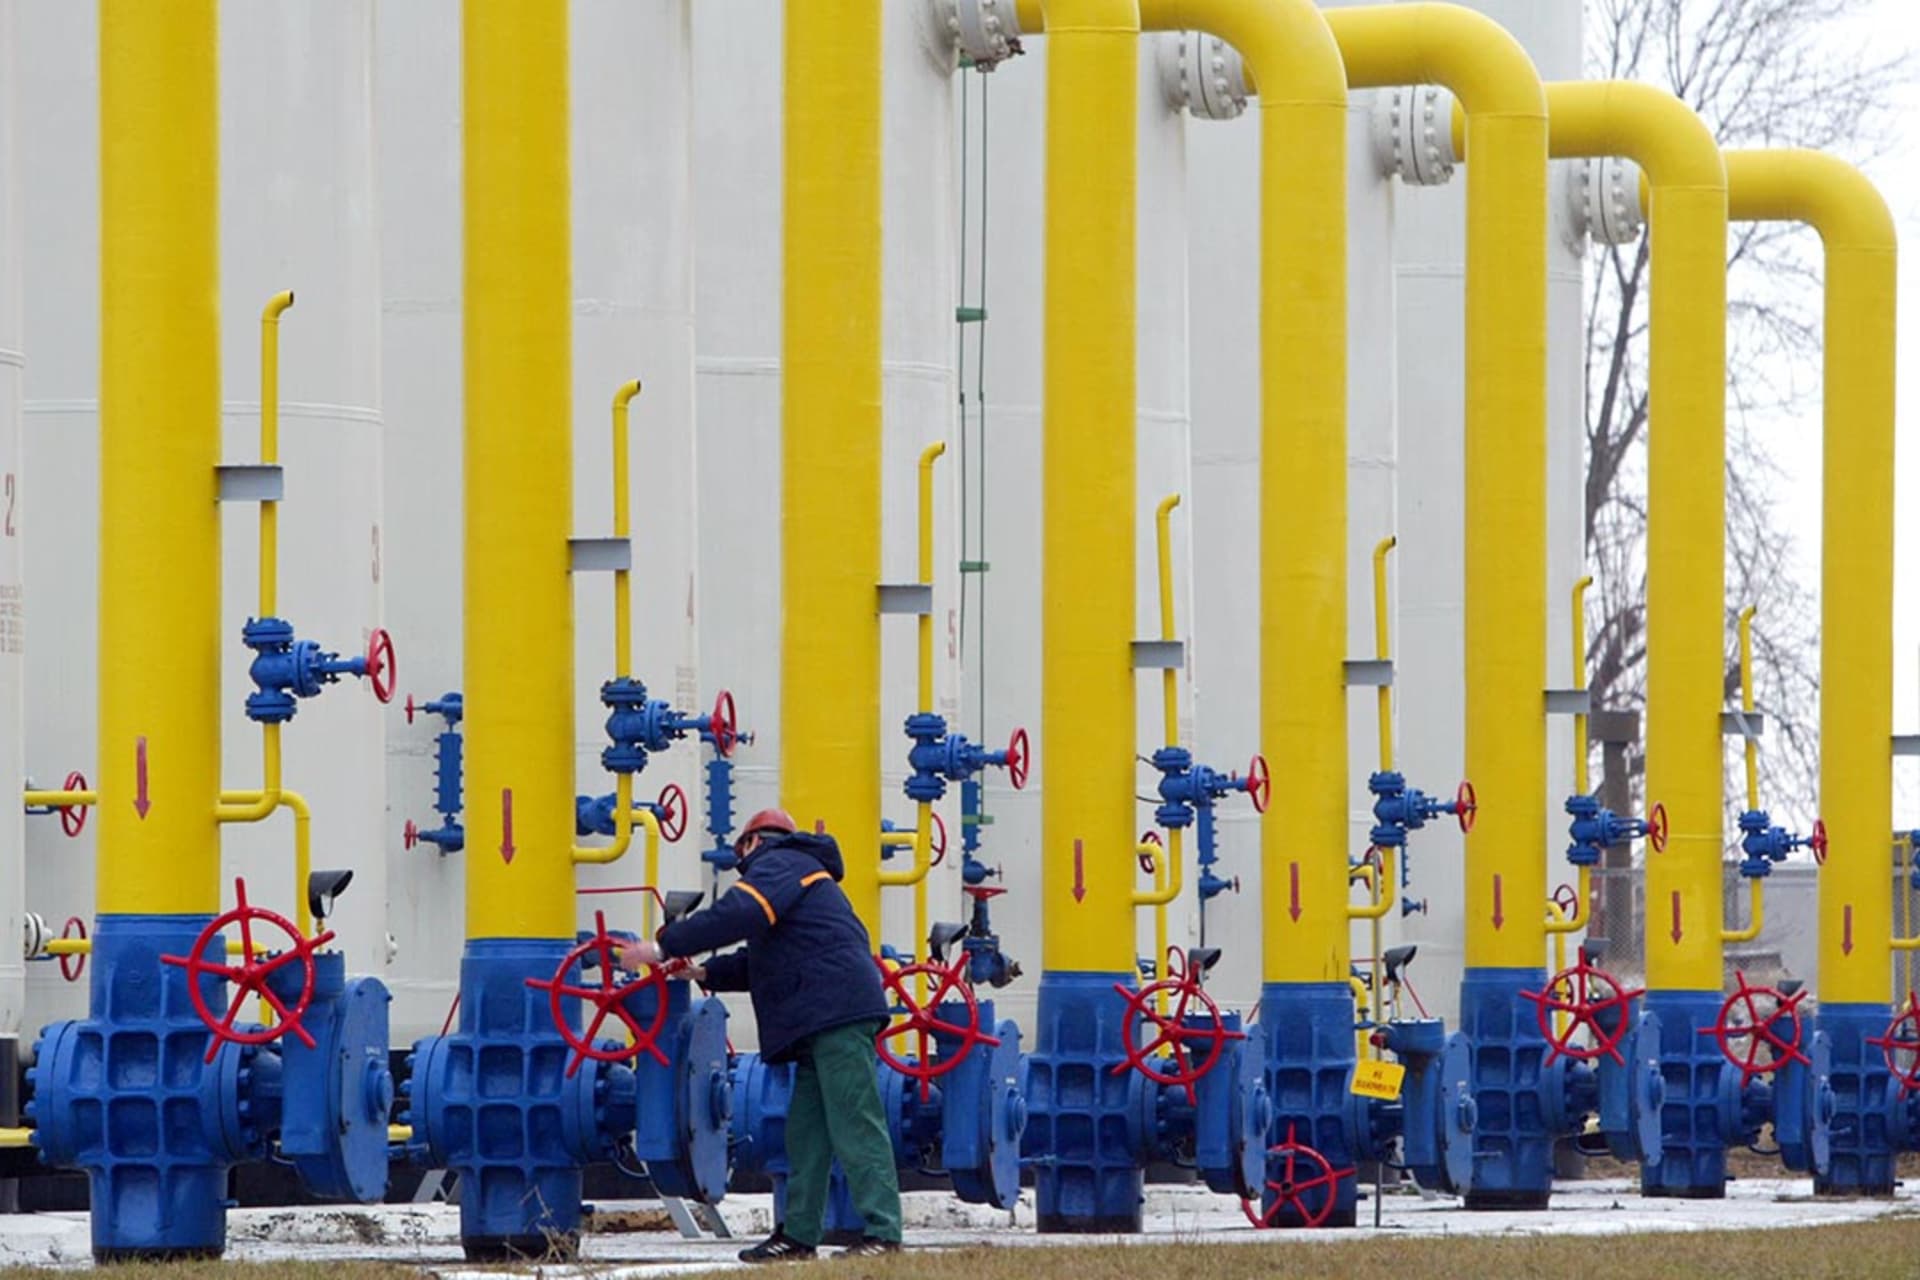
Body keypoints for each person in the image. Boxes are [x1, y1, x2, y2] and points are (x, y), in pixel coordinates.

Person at [619, 807, 903, 1263]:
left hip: (834, 1013)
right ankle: (798, 1236)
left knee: (855, 1121)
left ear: (754, 842)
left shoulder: (783, 862)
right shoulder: (800, 877)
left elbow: (740, 912)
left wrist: (664, 944)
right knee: (807, 1135)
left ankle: (884, 1235)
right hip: (823, 1014)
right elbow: (766, 962)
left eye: (742, 853)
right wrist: (703, 970)